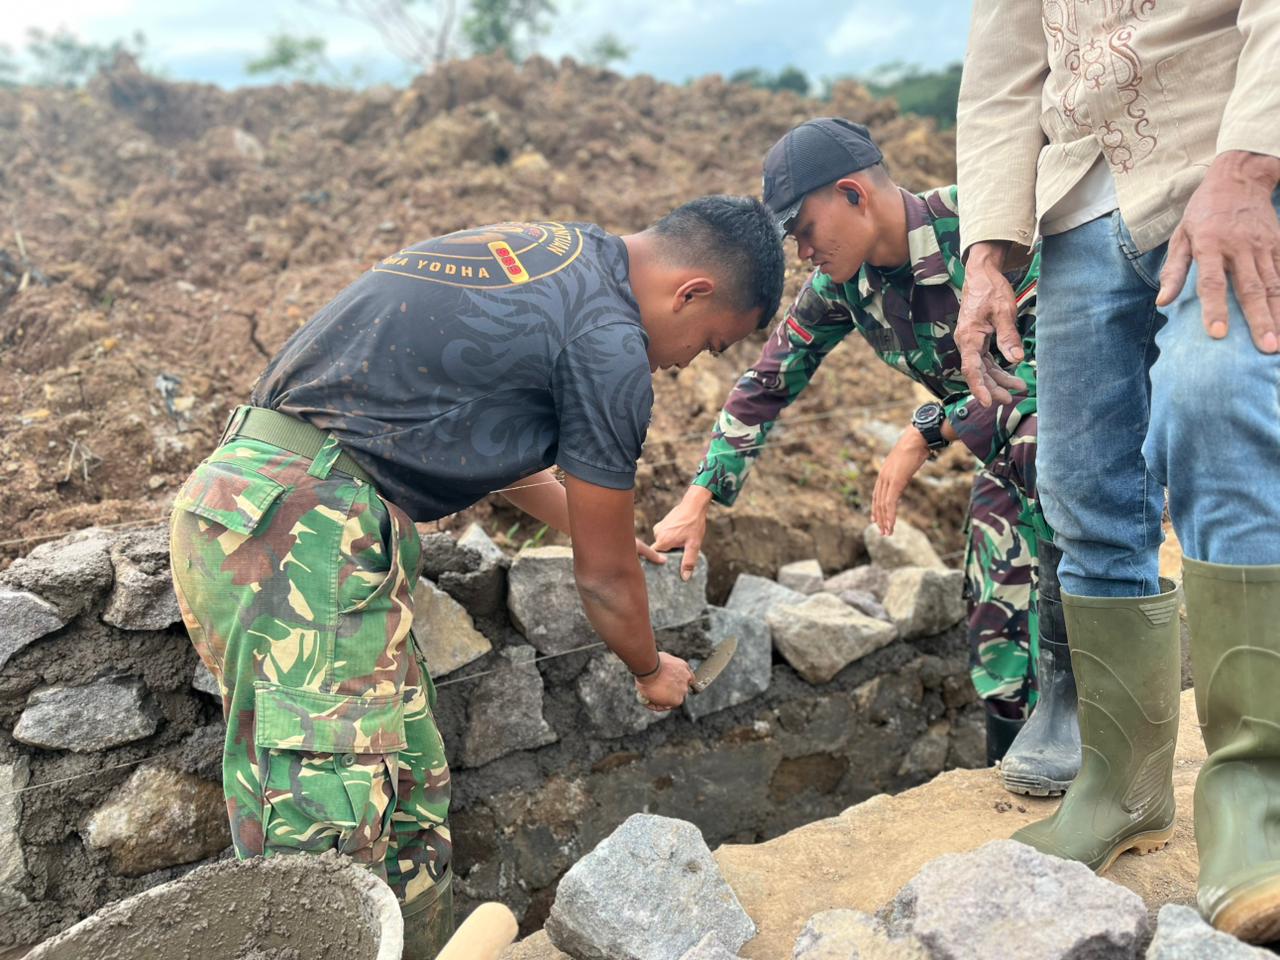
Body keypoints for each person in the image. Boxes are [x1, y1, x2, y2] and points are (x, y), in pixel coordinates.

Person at [168, 199, 785, 958]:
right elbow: (602, 583)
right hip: (302, 525)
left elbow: (506, 453)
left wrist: (604, 530)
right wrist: (650, 667)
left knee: (407, 791)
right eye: (710, 342)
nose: (689, 361)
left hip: (288, 509)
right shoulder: (611, 340)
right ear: (691, 292)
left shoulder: (559, 257)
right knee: (325, 823)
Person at [955, 0, 1280, 941]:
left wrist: (1252, 160)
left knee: (1218, 406)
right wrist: (988, 247)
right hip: (1079, 200)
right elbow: (1006, 61)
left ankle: (1258, 804)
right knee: (1082, 484)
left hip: (1220, 152)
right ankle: (1121, 786)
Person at [652, 119, 1081, 785]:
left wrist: (929, 429)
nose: (800, 253)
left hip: (1089, 435)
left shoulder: (987, 229)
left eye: (803, 230)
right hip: (1009, 448)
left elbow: (1068, 367)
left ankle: (1095, 719)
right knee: (995, 591)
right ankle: (1018, 771)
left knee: (1039, 467)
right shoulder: (843, 286)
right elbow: (767, 382)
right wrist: (697, 498)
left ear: (853, 194)